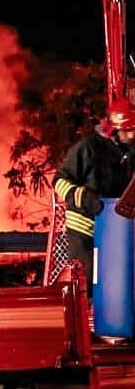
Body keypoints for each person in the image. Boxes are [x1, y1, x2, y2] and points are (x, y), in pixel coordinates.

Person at [53, 97, 135, 283]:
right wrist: (83, 198)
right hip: (84, 230)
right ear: (114, 129)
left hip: (115, 227)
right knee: (89, 280)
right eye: (127, 131)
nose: (132, 136)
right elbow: (59, 180)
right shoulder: (89, 147)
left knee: (116, 282)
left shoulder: (128, 151)